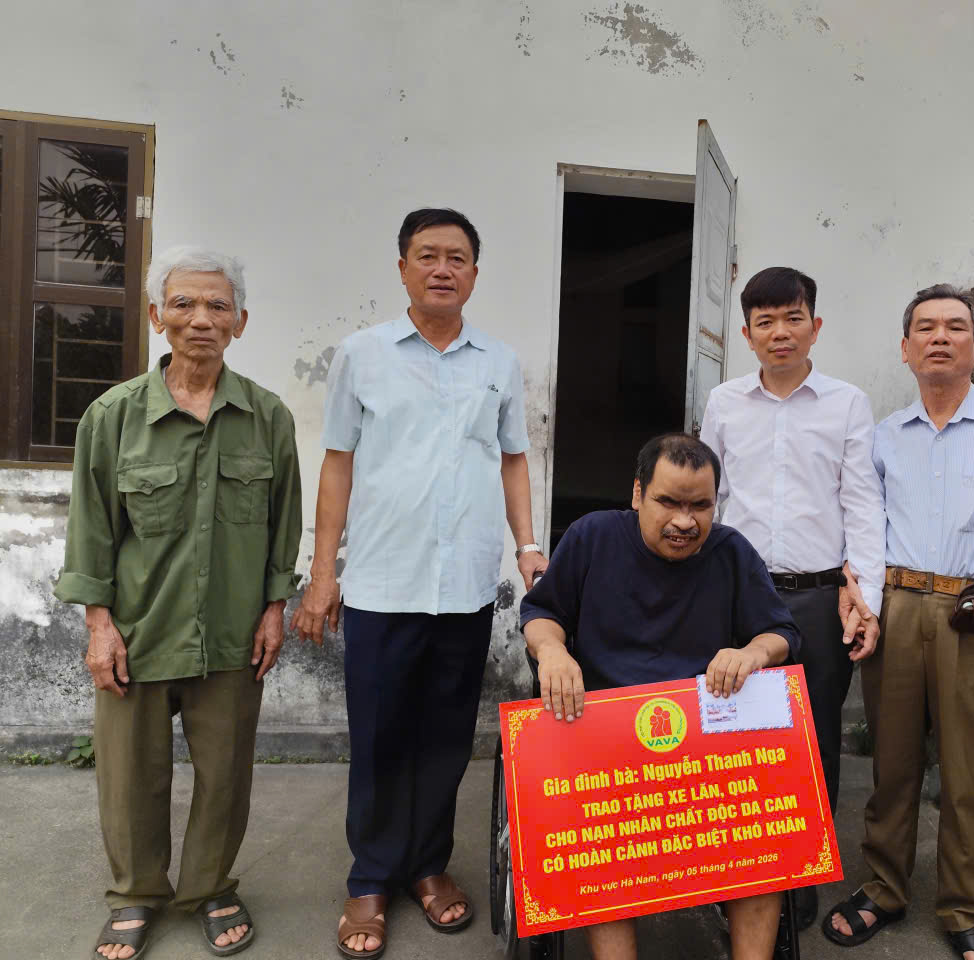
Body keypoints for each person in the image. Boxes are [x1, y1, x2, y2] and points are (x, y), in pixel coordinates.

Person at [290, 207, 547, 959]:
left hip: (464, 587)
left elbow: (512, 459)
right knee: (379, 737)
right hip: (380, 583)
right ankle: (370, 878)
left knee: (445, 737)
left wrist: (527, 546)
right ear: (402, 267)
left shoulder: (498, 361)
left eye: (456, 258)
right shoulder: (362, 355)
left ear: (474, 273)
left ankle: (429, 866)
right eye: (427, 255)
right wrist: (322, 573)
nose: (442, 269)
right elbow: (338, 462)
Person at [55, 247, 303, 959]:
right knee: (131, 778)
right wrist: (99, 626)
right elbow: (91, 530)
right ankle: (136, 893)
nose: (202, 319)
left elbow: (283, 523)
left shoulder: (267, 417)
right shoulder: (113, 417)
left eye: (218, 306)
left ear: (240, 322)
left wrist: (274, 610)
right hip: (137, 631)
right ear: (157, 316)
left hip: (231, 633)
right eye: (185, 304)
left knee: (225, 776)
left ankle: (209, 888)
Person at [822, 285, 974, 960]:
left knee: (968, 772)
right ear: (905, 350)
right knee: (892, 763)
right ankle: (883, 888)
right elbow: (863, 530)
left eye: (956, 327)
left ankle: (965, 909)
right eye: (926, 327)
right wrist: (859, 597)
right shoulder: (883, 438)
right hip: (897, 609)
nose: (940, 337)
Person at [521, 432, 802, 960]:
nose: (685, 522)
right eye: (668, 502)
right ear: (637, 494)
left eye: (701, 506)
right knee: (597, 840)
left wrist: (753, 653)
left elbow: (782, 632)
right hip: (603, 738)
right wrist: (553, 652)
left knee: (763, 832)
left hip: (706, 743)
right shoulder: (592, 537)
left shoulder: (731, 552)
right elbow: (542, 612)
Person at [700, 267, 885, 927]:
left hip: (817, 598)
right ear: (747, 333)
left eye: (793, 318)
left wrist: (865, 599)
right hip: (737, 597)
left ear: (815, 325)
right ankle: (734, 872)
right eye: (766, 321)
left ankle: (799, 874)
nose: (780, 332)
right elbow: (708, 497)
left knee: (814, 738)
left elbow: (862, 503)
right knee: (731, 734)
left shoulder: (847, 404)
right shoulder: (724, 402)